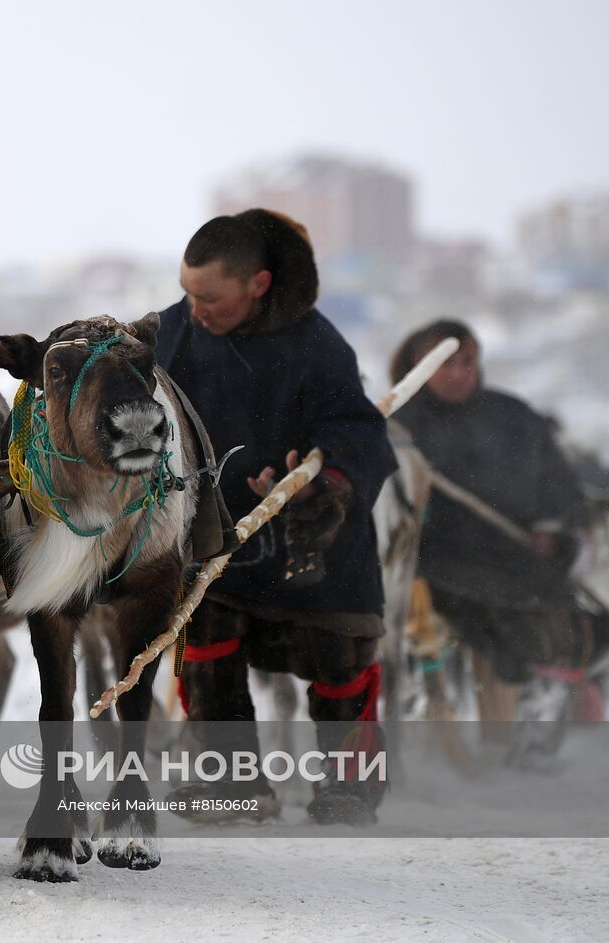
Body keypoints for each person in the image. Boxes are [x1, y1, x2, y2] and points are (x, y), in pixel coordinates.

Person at [155, 209, 398, 826]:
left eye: (211, 297)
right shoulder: (172, 334)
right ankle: (232, 784)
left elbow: (358, 433)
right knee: (205, 641)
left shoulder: (319, 345)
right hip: (218, 534)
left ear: (258, 284)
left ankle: (348, 788)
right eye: (187, 293)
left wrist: (325, 484)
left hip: (311, 532)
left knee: (339, 655)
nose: (195, 309)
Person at [390, 320, 585, 728]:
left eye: (467, 362)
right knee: (486, 613)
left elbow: (560, 483)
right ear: (418, 363)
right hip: (434, 563)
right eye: (446, 364)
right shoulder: (396, 430)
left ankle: (545, 700)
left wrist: (551, 526)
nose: (459, 374)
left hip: (517, 553)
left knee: (558, 619)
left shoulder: (514, 416)